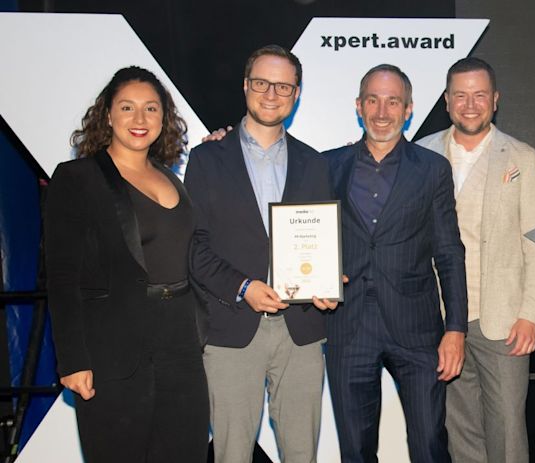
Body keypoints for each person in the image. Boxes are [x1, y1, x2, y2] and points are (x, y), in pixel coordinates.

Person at [45, 66, 208, 462]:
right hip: (113, 353)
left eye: (151, 108)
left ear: (164, 119)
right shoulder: (78, 178)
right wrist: (73, 360)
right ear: (107, 115)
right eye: (127, 107)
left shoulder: (172, 177)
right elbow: (62, 278)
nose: (140, 118)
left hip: (181, 347)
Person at [185, 44, 336, 463]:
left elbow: (324, 239)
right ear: (245, 85)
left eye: (283, 86)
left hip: (301, 330)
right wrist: (243, 287)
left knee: (302, 453)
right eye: (262, 83)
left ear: (296, 93)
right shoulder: (206, 158)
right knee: (232, 454)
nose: (272, 94)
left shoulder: (315, 163)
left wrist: (329, 280)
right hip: (231, 327)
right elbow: (194, 247)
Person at [323, 64, 468, 463]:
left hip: (417, 329)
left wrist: (456, 329)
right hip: (348, 326)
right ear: (359, 106)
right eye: (373, 100)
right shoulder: (327, 165)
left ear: (408, 109)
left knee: (429, 445)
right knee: (355, 451)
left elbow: (449, 252)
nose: (382, 112)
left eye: (393, 102)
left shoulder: (433, 169)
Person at [416, 57, 535, 463]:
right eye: (461, 95)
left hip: (504, 322)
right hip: (440, 320)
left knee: (507, 432)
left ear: (495, 100)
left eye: (479, 95)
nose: (470, 105)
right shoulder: (420, 154)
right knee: (460, 432)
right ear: (446, 101)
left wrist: (531, 315)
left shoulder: (522, 157)